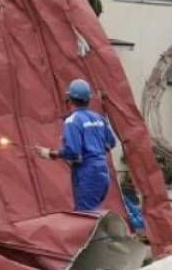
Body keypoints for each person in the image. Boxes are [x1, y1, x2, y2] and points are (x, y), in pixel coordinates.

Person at [35, 79, 117, 211]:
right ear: (88, 99)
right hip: (103, 173)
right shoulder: (98, 118)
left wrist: (49, 153)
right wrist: (95, 149)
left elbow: (73, 152)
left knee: (86, 216)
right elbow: (111, 143)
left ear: (69, 99)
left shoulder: (72, 121)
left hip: (87, 175)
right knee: (94, 212)